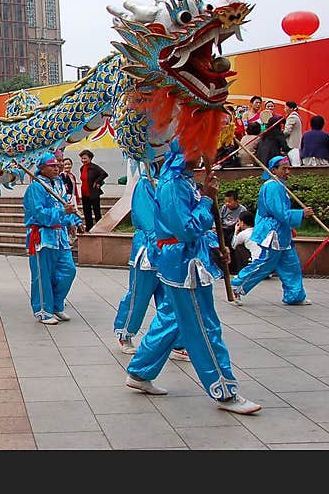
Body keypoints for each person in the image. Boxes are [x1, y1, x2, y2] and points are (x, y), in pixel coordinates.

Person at [124, 140, 261, 415]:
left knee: (173, 318)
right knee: (204, 326)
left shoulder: (184, 182)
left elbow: (196, 229)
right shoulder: (172, 184)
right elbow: (185, 229)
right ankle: (224, 391)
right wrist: (208, 198)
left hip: (188, 260)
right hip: (182, 265)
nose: (204, 154)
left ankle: (140, 371)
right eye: (198, 149)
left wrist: (214, 248)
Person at [113, 163, 189, 362]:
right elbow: (146, 219)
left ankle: (174, 341)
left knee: (171, 300)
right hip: (149, 249)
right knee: (140, 294)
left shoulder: (174, 183)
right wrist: (163, 240)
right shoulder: (146, 183)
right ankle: (125, 332)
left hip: (172, 251)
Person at [231, 156, 314, 307]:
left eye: (288, 168)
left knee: (291, 264)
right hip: (273, 233)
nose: (287, 171)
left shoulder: (279, 185)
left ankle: (294, 295)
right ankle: (236, 286)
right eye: (284, 169)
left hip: (282, 233)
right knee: (264, 264)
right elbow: (280, 212)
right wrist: (301, 213)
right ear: (273, 170)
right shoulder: (272, 186)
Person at [23, 156, 79, 325]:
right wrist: (63, 212)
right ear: (42, 168)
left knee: (69, 270)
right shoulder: (36, 188)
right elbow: (40, 214)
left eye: (58, 165)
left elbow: (65, 207)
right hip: (43, 236)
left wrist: (73, 221)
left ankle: (56, 304)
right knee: (42, 275)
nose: (56, 168)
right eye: (52, 166)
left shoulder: (59, 184)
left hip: (60, 236)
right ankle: (42, 310)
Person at [78, 149, 108, 231]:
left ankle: (99, 228)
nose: (83, 160)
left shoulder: (94, 167)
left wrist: (97, 182)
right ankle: (89, 227)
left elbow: (104, 174)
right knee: (87, 212)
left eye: (85, 158)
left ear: (90, 158)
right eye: (82, 158)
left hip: (93, 192)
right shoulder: (82, 168)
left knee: (96, 211)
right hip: (84, 192)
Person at [283, 101, 303, 166]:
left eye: (286, 107)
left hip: (293, 145)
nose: (284, 109)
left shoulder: (292, 117)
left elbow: (287, 131)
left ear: (291, 108)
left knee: (295, 166)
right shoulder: (296, 116)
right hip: (295, 146)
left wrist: (279, 135)